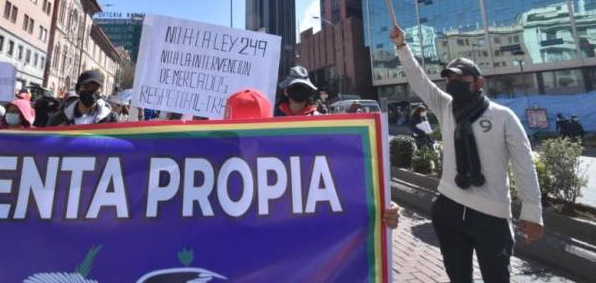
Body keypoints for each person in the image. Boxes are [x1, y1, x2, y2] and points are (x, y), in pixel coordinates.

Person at [391, 25, 543, 283]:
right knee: (458, 277)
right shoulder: (445, 107)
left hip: (492, 217)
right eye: (449, 80)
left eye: (460, 80)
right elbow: (419, 81)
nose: (453, 84)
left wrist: (532, 212)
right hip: (448, 209)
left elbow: (524, 164)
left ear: (479, 83)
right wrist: (402, 47)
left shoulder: (503, 117)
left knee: (497, 277)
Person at [225, 87, 400, 229]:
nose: (244, 142)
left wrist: (381, 208)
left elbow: (345, 193)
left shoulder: (294, 163)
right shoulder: (213, 166)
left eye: (251, 134)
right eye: (235, 134)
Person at [48, 70, 117, 125]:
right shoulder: (59, 119)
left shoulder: (111, 120)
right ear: (77, 90)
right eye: (86, 87)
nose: (90, 91)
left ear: (101, 92)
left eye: (95, 88)